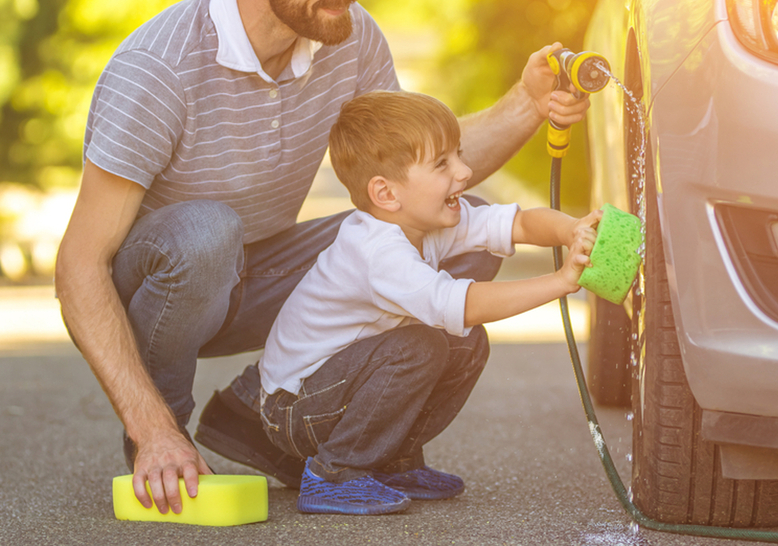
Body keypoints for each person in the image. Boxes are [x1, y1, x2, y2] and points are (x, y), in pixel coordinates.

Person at [54, 0, 589, 517]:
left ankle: (288, 427)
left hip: (264, 270)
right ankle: (164, 438)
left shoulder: (350, 39)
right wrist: (151, 426)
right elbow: (79, 265)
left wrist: (529, 102)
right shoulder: (159, 70)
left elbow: (415, 175)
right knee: (204, 234)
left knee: (456, 216)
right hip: (167, 289)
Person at [256, 90, 599, 515]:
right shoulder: (377, 252)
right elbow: (462, 304)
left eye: (458, 155)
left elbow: (518, 222)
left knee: (466, 342)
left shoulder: (424, 220)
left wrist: (573, 231)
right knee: (421, 346)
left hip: (332, 389)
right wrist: (561, 280)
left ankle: (390, 462)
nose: (465, 171)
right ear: (386, 194)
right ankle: (334, 473)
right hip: (293, 410)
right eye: (443, 164)